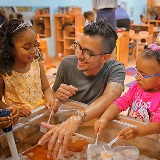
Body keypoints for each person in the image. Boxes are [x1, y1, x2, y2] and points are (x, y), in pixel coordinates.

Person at [38, 18, 125, 159]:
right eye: (78, 46)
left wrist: (77, 118)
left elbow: (110, 96)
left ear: (105, 58)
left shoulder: (116, 68)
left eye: (87, 52)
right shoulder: (67, 64)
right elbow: (53, 99)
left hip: (94, 131)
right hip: (67, 130)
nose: (79, 55)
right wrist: (57, 97)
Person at [94, 43, 160, 140]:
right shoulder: (136, 88)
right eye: (137, 71)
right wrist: (104, 118)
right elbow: (120, 102)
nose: (137, 77)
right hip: (133, 135)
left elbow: (157, 124)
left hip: (149, 139)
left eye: (142, 74)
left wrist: (137, 132)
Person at [0, 19, 57, 119]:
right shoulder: (4, 72)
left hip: (40, 116)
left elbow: (46, 88)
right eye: (27, 48)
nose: (34, 51)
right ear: (10, 49)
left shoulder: (37, 65)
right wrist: (12, 109)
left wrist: (51, 100)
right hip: (20, 123)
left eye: (35, 45)